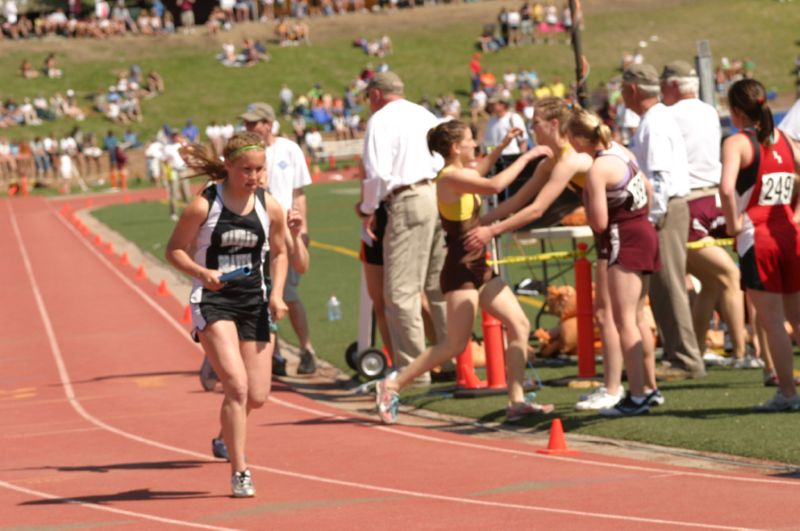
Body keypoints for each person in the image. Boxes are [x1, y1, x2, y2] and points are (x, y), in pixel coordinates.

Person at [375, 120, 554, 424]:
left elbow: (482, 171)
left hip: (478, 266)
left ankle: (516, 400)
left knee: (520, 324)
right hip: (459, 270)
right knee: (453, 345)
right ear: (457, 148)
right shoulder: (448, 178)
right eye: (471, 140)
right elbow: (495, 185)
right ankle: (391, 384)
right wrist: (527, 155)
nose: (475, 144)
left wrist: (500, 147)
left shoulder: (462, 174)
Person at [464, 96, 633, 411]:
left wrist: (492, 231)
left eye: (535, 124)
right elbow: (517, 203)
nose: (531, 129)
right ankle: (617, 385)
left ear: (554, 125)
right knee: (609, 313)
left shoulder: (571, 158)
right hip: (609, 234)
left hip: (619, 232)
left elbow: (538, 209)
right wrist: (473, 224)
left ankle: (616, 388)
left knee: (609, 314)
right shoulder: (551, 161)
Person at [165, 131, 288, 497]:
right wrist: (203, 274)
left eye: (259, 170)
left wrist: (278, 293)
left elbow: (279, 253)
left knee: (258, 396)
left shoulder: (271, 207)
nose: (253, 177)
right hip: (213, 301)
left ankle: (224, 436)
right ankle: (241, 470)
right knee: (236, 386)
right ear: (229, 167)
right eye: (246, 170)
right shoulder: (204, 206)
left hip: (254, 302)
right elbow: (174, 250)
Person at [566, 108, 661, 416]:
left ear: (579, 138)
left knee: (624, 321)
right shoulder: (622, 152)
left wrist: (588, 200)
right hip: (643, 230)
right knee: (637, 316)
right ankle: (649, 387)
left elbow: (599, 222)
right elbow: (647, 188)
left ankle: (635, 396)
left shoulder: (597, 169)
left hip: (624, 237)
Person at [357, 71, 448, 385]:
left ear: (376, 95)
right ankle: (449, 358)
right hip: (439, 193)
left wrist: (367, 209)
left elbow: (376, 173)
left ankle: (414, 371)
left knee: (399, 292)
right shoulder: (425, 115)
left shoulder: (380, 121)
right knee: (438, 286)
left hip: (408, 198)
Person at [660, 60, 749, 368]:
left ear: (673, 85)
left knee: (722, 279)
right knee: (720, 279)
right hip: (714, 200)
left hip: (690, 202)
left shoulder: (666, 116)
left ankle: (722, 351)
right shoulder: (709, 111)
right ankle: (736, 352)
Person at [719, 79, 800, 412]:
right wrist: (796, 216)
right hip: (789, 236)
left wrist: (733, 224)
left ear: (736, 110)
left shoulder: (737, 142)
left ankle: (787, 393)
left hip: (758, 237)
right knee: (797, 318)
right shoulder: (785, 139)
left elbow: (726, 189)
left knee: (772, 320)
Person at [623, 63, 706, 380]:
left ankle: (685, 357)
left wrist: (652, 216)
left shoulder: (654, 124)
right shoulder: (655, 119)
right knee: (663, 285)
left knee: (669, 283)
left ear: (632, 90)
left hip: (665, 207)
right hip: (666, 206)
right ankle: (677, 353)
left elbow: (660, 177)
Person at [240, 102, 317, 375]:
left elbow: (298, 192)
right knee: (263, 293)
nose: (249, 128)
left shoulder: (288, 149)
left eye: (254, 123)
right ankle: (277, 353)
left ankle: (307, 349)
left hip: (285, 227)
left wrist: (302, 228)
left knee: (288, 293)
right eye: (247, 124)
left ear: (268, 124)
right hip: (255, 230)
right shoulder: (245, 153)